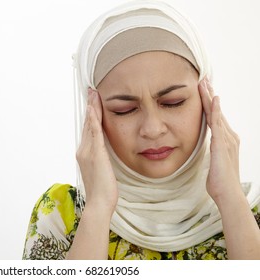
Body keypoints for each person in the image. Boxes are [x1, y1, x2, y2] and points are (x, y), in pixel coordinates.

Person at [22, 0, 260, 260]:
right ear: (95, 114)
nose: (153, 129)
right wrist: (99, 208)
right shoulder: (61, 213)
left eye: (173, 102)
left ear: (206, 97)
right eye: (124, 109)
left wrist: (231, 201)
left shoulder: (251, 211)